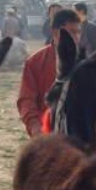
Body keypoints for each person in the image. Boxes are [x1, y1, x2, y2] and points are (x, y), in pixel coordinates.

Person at [17, 8, 82, 137]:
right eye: (71, 33)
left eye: (78, 32)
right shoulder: (35, 62)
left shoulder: (86, 63)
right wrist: (35, 127)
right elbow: (26, 100)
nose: (76, 37)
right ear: (55, 32)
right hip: (47, 132)